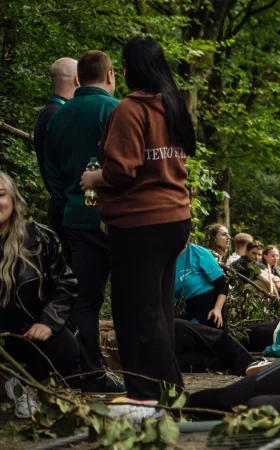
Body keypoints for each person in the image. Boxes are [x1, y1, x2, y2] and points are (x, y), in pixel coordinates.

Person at [80, 37, 195, 409]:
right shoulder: (172, 104)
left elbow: (122, 170)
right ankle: (159, 391)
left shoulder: (131, 109)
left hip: (141, 222)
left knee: (134, 313)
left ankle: (156, 394)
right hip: (176, 218)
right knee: (158, 311)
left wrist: (92, 179)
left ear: (131, 69)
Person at [43, 50, 124, 394]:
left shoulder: (57, 116)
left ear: (79, 79)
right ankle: (138, 372)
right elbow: (126, 168)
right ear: (110, 76)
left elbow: (51, 173)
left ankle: (89, 373)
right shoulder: (115, 109)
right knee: (127, 300)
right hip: (115, 220)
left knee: (85, 301)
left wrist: (69, 206)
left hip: (75, 219)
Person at [0, 171, 79, 418]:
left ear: (13, 199)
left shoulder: (39, 237)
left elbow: (66, 283)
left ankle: (28, 385)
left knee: (67, 350)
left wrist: (48, 321)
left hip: (28, 332)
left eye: (0, 194)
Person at [34, 57, 79, 264]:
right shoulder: (60, 115)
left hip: (59, 204)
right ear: (78, 80)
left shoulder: (47, 112)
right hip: (67, 206)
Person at [175, 239, 229, 329]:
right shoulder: (165, 259)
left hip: (210, 311)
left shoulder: (197, 252)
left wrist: (217, 309)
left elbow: (223, 284)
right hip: (187, 310)